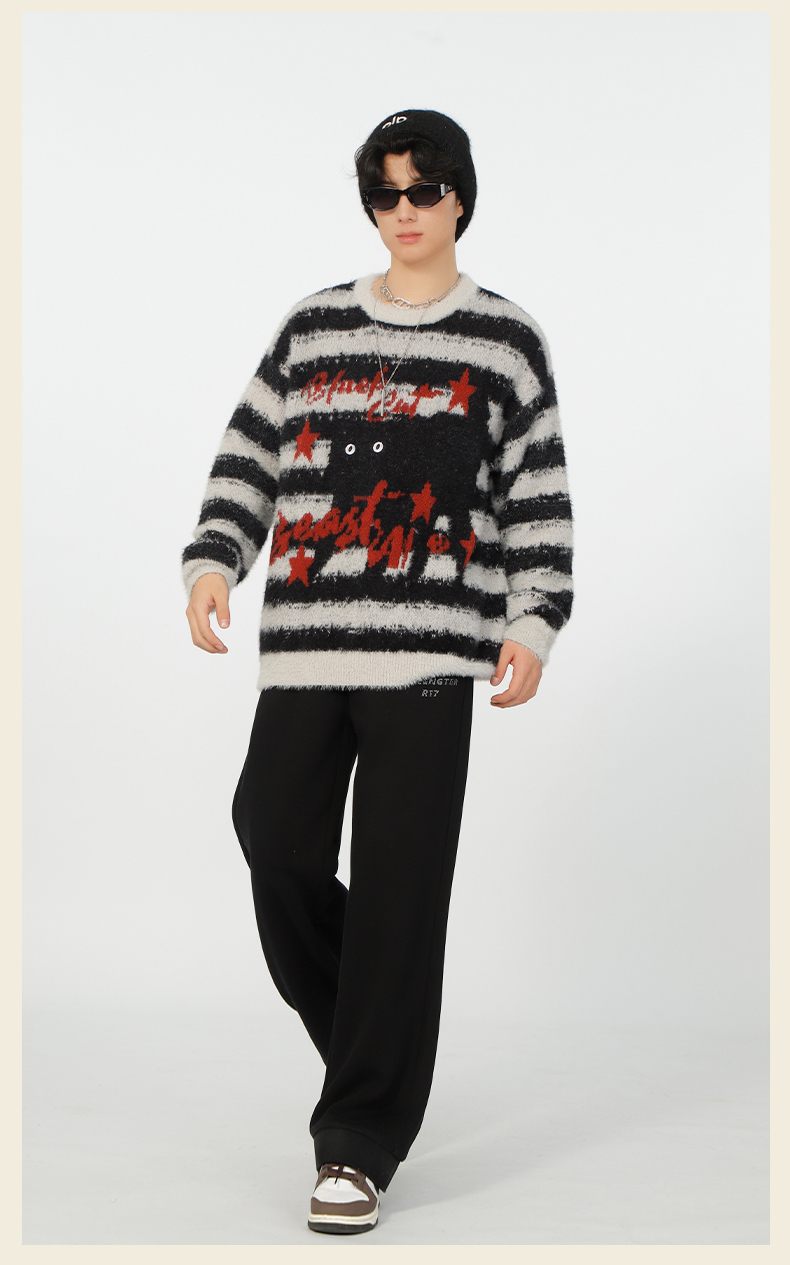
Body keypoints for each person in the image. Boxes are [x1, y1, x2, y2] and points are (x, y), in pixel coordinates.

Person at [182, 107, 574, 1235]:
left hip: (433, 654)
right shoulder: (313, 326)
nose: (402, 211)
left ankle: (355, 1140)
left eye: (422, 189)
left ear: (460, 197)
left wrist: (533, 617)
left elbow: (537, 491)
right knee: (274, 839)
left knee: (402, 886)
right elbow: (251, 449)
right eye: (384, 193)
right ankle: (383, 1026)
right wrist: (215, 556)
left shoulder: (505, 340)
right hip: (308, 642)